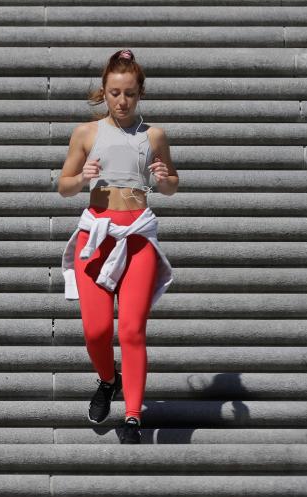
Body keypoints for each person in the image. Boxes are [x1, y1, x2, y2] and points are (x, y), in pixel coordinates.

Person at [57, 49, 179, 445]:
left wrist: (164, 178)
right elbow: (64, 186)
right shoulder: (86, 133)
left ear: (140, 93)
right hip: (98, 234)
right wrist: (82, 177)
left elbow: (172, 184)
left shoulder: (154, 135)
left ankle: (132, 416)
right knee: (95, 330)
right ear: (104, 93)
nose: (121, 101)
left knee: (131, 329)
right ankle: (108, 379)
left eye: (128, 93)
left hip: (138, 236)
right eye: (114, 93)